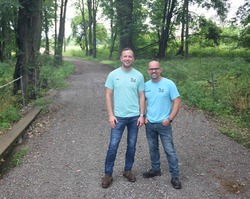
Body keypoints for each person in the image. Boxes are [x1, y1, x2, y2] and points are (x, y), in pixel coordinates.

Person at [102, 47, 145, 188]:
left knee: (132, 145)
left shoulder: (138, 75)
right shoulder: (113, 75)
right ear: (121, 58)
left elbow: (142, 96)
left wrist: (141, 115)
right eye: (125, 56)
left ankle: (128, 170)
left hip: (134, 117)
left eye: (130, 56)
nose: (127, 58)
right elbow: (108, 95)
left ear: (133, 59)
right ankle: (108, 174)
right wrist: (110, 115)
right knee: (113, 146)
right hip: (118, 117)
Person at [143, 60, 182, 189]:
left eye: (156, 69)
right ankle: (155, 169)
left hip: (164, 124)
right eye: (151, 69)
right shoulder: (145, 85)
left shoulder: (169, 84)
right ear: (148, 71)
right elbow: (142, 102)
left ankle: (175, 176)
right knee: (153, 148)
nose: (153, 71)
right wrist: (144, 116)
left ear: (160, 70)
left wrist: (170, 119)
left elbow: (177, 102)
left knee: (169, 150)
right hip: (150, 124)